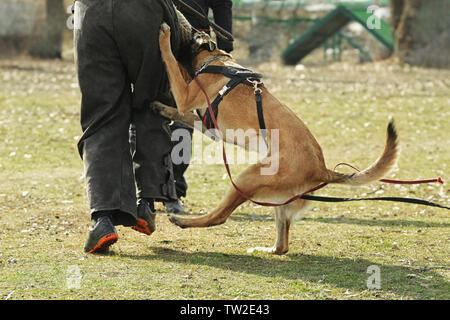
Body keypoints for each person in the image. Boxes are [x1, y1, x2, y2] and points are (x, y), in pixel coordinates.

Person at [73, 0, 190, 253]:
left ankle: (102, 220)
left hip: (92, 14)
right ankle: (146, 203)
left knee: (101, 115)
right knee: (153, 103)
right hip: (144, 12)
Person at [163, 0, 234, 214]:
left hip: (191, 43)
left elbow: (222, 4)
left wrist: (223, 43)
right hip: (149, 35)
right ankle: (144, 189)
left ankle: (174, 187)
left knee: (182, 118)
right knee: (143, 113)